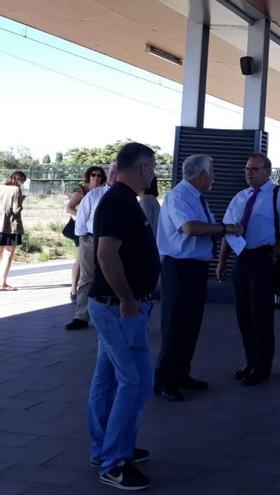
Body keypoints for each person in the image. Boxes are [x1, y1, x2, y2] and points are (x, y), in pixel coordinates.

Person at [86, 142, 160, 491]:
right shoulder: (119, 202)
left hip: (112, 307)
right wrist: (127, 298)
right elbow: (105, 255)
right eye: (154, 167)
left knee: (107, 380)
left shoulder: (121, 200)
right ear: (143, 168)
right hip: (119, 309)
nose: (155, 173)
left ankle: (106, 449)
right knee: (137, 380)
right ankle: (116, 461)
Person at [154, 154, 244, 402]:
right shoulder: (179, 196)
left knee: (191, 323)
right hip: (179, 268)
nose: (214, 176)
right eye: (212, 171)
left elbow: (202, 230)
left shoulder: (197, 199)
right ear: (201, 174)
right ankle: (164, 380)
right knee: (175, 323)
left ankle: (181, 373)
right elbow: (190, 228)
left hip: (194, 267)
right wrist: (226, 229)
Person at [217, 153, 280, 386]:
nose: (249, 173)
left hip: (264, 258)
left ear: (267, 171)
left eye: (254, 169)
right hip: (242, 258)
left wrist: (275, 253)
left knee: (261, 315)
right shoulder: (240, 196)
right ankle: (250, 362)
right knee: (243, 314)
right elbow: (228, 229)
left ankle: (263, 367)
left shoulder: (279, 194)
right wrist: (223, 261)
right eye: (247, 169)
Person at [66, 164, 117, 330]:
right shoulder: (94, 195)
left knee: (111, 276)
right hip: (90, 238)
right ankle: (81, 315)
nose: (112, 176)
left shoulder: (126, 197)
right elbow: (81, 217)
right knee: (87, 277)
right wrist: (83, 239)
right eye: (111, 172)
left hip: (113, 241)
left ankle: (108, 313)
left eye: (116, 173)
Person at [65, 166, 107, 300]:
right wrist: (83, 216)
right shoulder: (81, 191)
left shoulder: (103, 191)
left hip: (94, 230)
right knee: (80, 259)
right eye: (93, 175)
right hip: (81, 228)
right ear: (88, 176)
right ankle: (73, 290)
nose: (96, 178)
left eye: (99, 175)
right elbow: (69, 208)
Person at [0, 171, 26, 291]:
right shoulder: (16, 190)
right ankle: (2, 283)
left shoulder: (1, 187)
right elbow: (16, 210)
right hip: (10, 226)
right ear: (19, 180)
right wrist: (22, 200)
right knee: (8, 254)